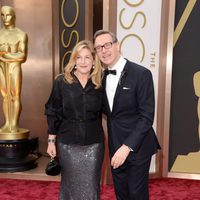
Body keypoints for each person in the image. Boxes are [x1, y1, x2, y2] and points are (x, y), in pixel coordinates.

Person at [94, 30, 161, 200]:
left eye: (107, 45)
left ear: (118, 45)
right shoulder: (100, 79)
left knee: (137, 194)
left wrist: (127, 147)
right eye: (98, 47)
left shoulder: (141, 74)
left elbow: (146, 116)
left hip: (137, 146)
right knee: (121, 194)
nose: (104, 50)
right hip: (115, 146)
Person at [45, 40, 104, 200]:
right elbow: (52, 111)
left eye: (87, 57)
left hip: (94, 144)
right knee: (70, 185)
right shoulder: (62, 81)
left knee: (91, 186)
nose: (83, 61)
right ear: (74, 60)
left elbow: (111, 110)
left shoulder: (100, 83)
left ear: (94, 61)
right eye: (79, 57)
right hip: (68, 143)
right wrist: (51, 141)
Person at [0, 5, 28, 133]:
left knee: (15, 95)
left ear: (14, 16)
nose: (5, 18)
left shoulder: (21, 34)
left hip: (14, 68)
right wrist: (8, 57)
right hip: (2, 68)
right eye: (2, 15)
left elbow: (22, 55)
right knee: (5, 96)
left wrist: (5, 56)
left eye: (8, 15)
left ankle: (14, 124)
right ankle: (7, 123)